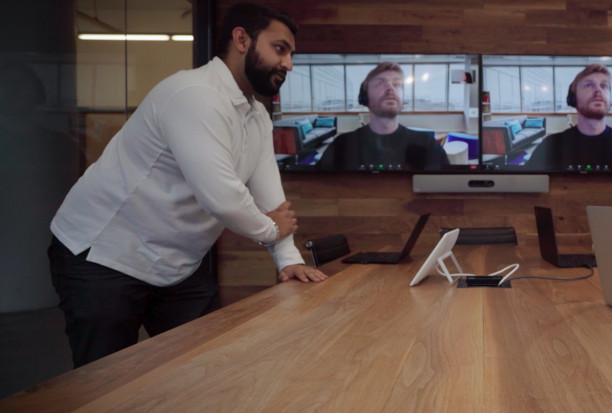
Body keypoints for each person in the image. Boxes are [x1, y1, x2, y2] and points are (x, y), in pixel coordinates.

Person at [48, 2, 327, 368]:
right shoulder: (194, 94)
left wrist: (287, 258)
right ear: (241, 39)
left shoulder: (256, 115)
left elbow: (268, 193)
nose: (289, 63)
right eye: (280, 49)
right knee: (106, 383)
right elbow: (223, 199)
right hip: (105, 255)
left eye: (291, 53)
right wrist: (271, 230)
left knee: (201, 372)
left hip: (177, 264)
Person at [317, 62, 449, 171]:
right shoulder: (342, 146)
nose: (390, 88)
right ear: (364, 97)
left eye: (397, 84)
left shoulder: (428, 146)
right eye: (380, 83)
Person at [525, 64, 612, 172]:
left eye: (604, 86)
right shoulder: (551, 146)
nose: (598, 90)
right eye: (588, 85)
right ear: (573, 99)